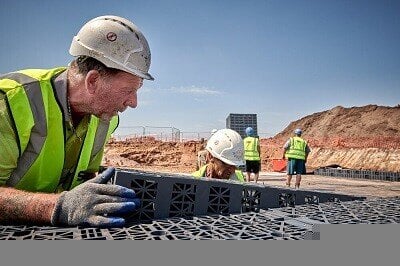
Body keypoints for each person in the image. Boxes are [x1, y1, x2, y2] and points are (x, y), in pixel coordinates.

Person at [0, 15, 153, 227]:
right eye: (128, 91)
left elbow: (85, 179)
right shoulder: (11, 101)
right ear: (92, 81)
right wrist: (56, 207)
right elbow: (66, 205)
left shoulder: (104, 118)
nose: (133, 102)